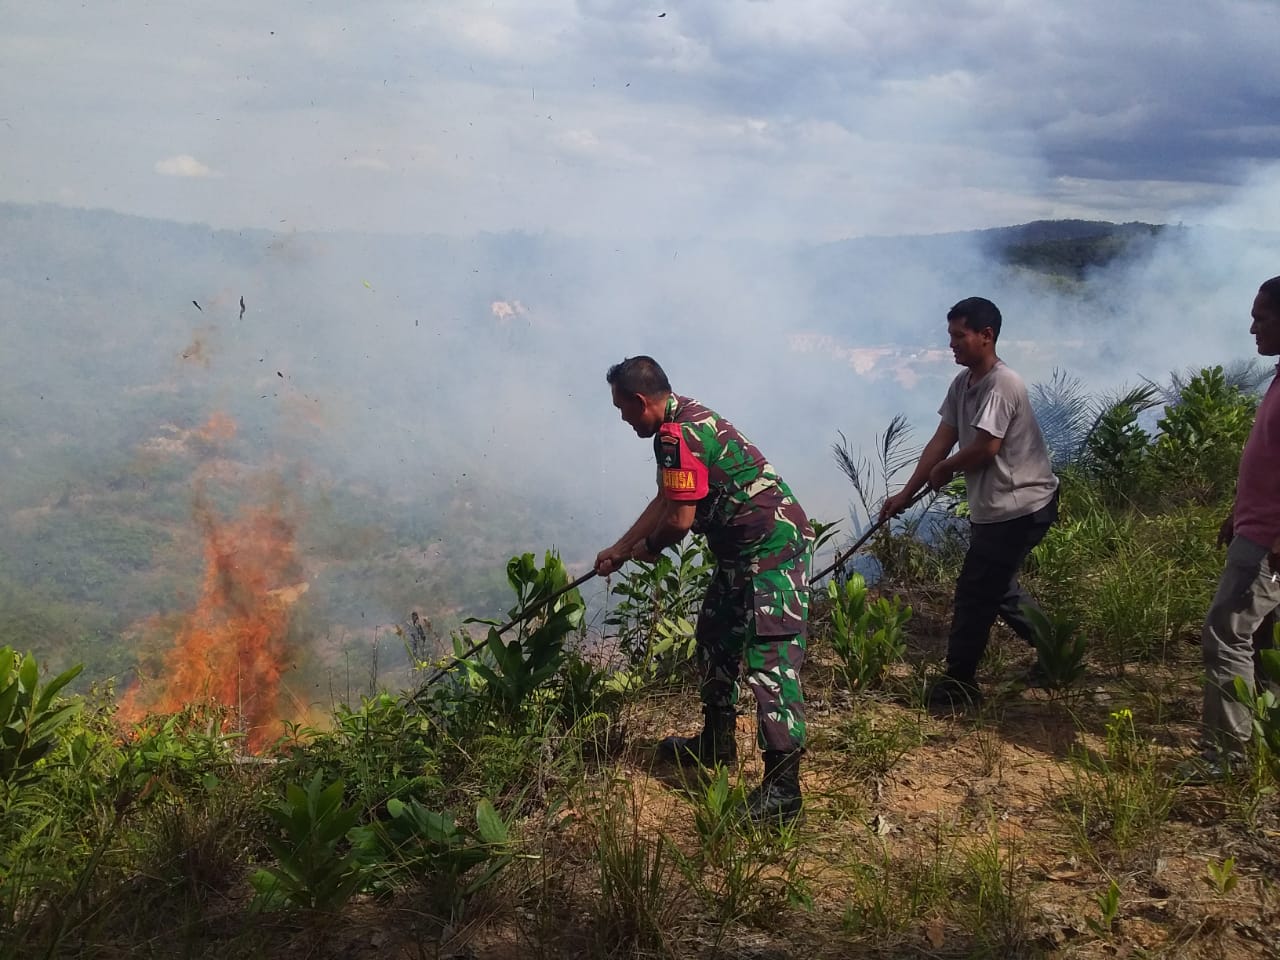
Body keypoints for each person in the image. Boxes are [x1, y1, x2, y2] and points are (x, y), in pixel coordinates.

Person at [595, 356, 814, 824]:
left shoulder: (679, 435)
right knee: (715, 635)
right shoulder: (683, 420)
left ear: (640, 401)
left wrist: (650, 548)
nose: (622, 419)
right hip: (741, 556)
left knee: (770, 664)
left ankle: (783, 791)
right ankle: (715, 744)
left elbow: (678, 521)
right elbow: (668, 499)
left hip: (771, 552)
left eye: (622, 409)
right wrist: (620, 547)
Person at [880, 297, 1059, 707]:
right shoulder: (963, 385)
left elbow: (985, 448)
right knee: (997, 588)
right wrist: (906, 494)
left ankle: (958, 685)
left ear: (986, 336)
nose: (952, 345)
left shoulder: (1003, 383)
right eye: (950, 337)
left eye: (959, 336)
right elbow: (940, 441)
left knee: (975, 593)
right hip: (996, 509)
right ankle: (1058, 651)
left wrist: (946, 469)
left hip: (1021, 506)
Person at [1184, 277, 1280, 782]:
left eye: (1262, 317)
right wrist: (1236, 510)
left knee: (1226, 636)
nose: (1252, 327)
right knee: (1264, 642)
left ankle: (1225, 756)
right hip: (1257, 527)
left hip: (1266, 543)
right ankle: (1264, 737)